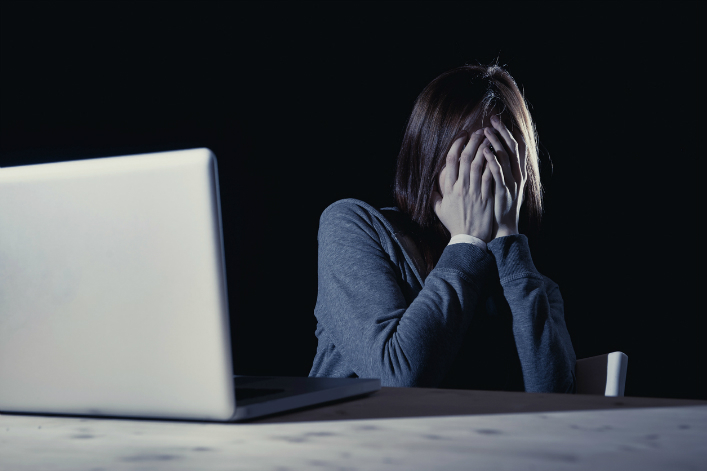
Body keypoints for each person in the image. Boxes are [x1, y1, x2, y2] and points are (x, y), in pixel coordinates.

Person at [308, 64, 576, 393]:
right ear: (429, 153)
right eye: (466, 154)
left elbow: (554, 403)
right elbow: (397, 379)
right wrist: (466, 242)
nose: (482, 173)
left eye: (498, 156)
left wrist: (509, 239)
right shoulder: (354, 227)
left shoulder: (533, 286)